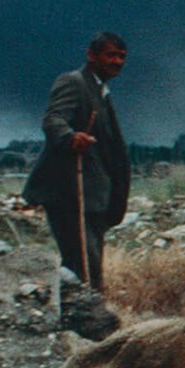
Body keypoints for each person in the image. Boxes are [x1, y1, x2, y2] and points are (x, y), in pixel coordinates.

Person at [23, 31, 131, 293]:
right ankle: (84, 322)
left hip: (94, 198)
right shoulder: (73, 82)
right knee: (82, 267)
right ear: (91, 56)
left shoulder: (101, 92)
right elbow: (53, 119)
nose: (117, 61)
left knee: (89, 267)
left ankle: (84, 316)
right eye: (110, 55)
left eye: (121, 56)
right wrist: (70, 138)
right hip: (70, 194)